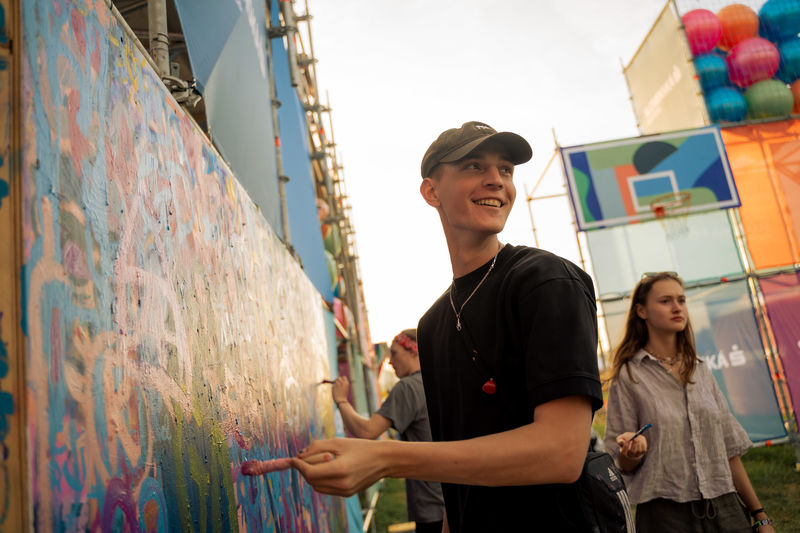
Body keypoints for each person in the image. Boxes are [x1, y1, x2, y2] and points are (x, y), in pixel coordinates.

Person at [291, 121, 603, 532]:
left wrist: (387, 459)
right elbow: (456, 474)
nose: (496, 181)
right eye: (475, 166)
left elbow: (561, 452)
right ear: (431, 191)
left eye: (506, 169)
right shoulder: (433, 325)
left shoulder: (546, 281)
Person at [603, 271, 774, 533]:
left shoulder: (700, 370)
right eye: (665, 301)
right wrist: (631, 452)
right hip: (666, 516)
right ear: (641, 311)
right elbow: (620, 462)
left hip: (725, 507)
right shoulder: (629, 376)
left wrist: (760, 515)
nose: (677, 307)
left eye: (681, 300)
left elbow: (728, 449)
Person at [331, 329, 444, 533]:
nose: (390, 361)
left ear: (414, 351)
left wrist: (340, 400)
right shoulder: (438, 381)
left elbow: (367, 431)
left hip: (431, 504)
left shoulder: (408, 387)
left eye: (394, 353)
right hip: (452, 494)